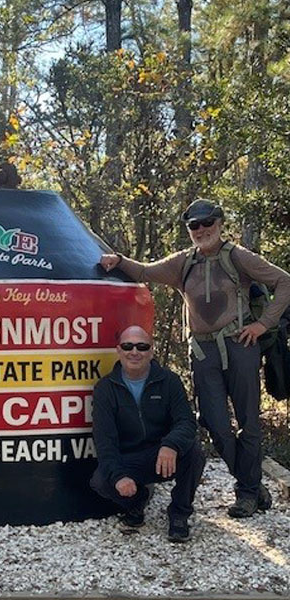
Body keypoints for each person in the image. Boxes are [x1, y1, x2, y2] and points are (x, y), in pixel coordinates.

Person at [100, 199, 290, 518]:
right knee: (214, 423)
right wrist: (118, 260)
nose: (201, 230)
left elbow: (284, 281)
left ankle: (245, 493)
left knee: (248, 422)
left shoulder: (238, 256)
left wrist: (263, 323)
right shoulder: (183, 263)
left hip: (240, 346)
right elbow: (146, 271)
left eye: (207, 223)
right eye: (194, 225)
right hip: (203, 352)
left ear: (219, 223)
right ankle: (252, 484)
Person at [90, 326, 205, 542]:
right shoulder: (105, 388)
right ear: (119, 350)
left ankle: (179, 514)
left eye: (142, 346)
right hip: (130, 459)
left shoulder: (169, 381)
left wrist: (171, 444)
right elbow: (105, 441)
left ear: (151, 351)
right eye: (128, 346)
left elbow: (186, 421)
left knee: (195, 453)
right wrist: (119, 476)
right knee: (101, 481)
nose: (135, 352)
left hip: (162, 455)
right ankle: (137, 502)